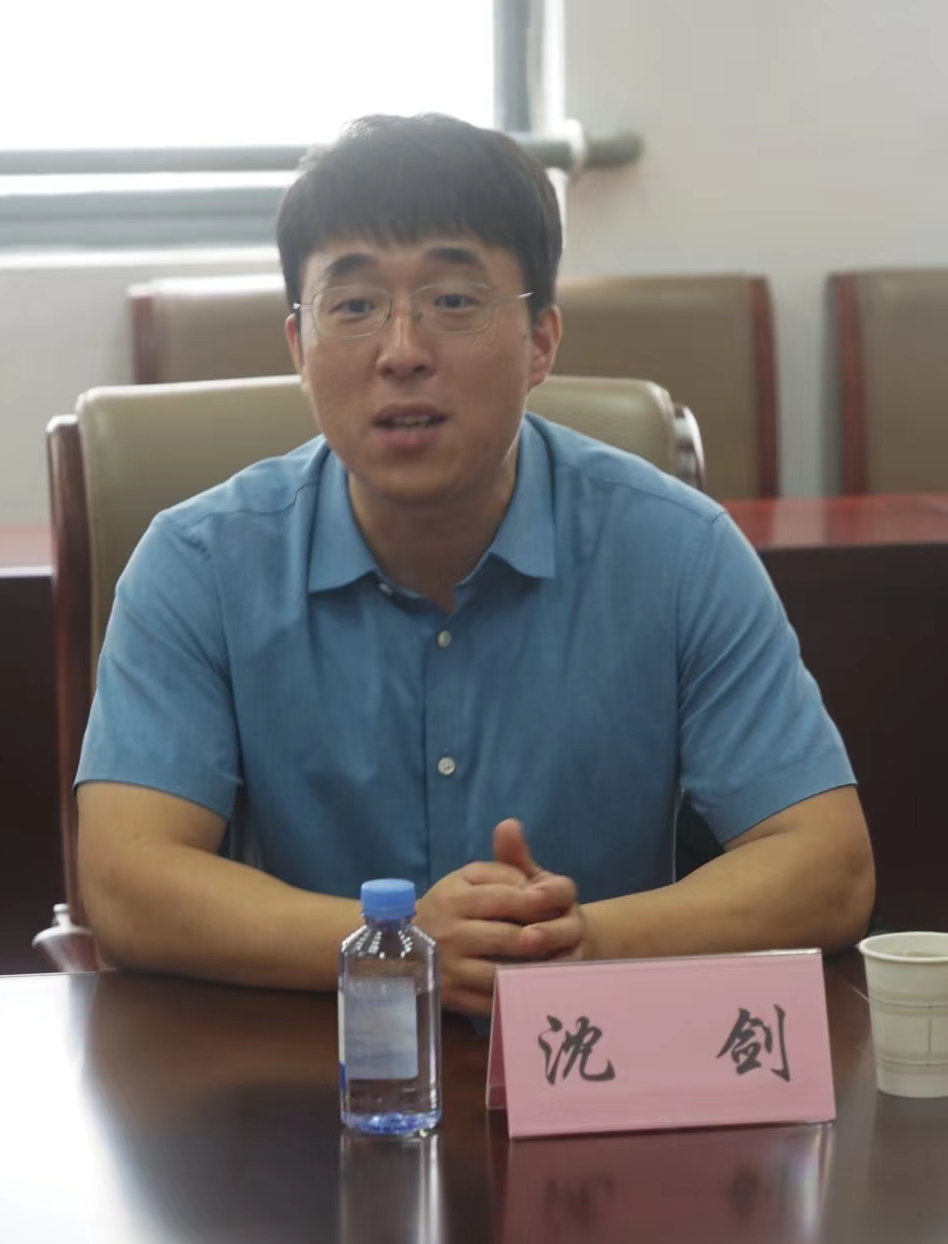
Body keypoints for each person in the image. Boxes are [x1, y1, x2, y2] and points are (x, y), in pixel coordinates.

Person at [76, 114, 874, 1016]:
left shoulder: (677, 551)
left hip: (604, 1063)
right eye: (354, 306)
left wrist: (575, 944)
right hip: (304, 1064)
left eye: (454, 301)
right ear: (299, 348)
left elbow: (828, 868)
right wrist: (400, 945)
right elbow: (125, 882)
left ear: (541, 342)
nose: (402, 351)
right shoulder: (198, 565)